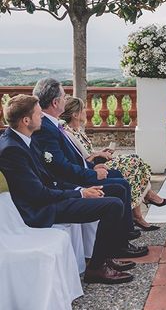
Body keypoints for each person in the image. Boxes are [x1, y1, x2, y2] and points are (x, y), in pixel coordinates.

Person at [0, 95, 141, 284]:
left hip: (50, 198)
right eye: (38, 114)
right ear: (26, 120)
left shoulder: (23, 139)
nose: (42, 116)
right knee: (112, 205)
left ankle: (105, 257)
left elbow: (48, 179)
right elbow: (38, 195)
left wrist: (79, 188)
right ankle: (97, 268)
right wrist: (80, 193)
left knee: (113, 195)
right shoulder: (12, 150)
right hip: (39, 210)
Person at [31, 78, 147, 255]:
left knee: (118, 179)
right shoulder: (45, 128)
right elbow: (60, 167)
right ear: (55, 102)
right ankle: (119, 244)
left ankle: (123, 235)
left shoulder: (52, 124)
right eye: (64, 96)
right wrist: (90, 176)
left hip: (77, 174)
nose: (66, 98)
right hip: (69, 183)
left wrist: (92, 168)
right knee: (119, 187)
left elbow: (69, 158)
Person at [59, 97, 166, 231]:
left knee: (135, 162)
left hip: (97, 161)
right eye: (83, 109)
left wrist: (100, 152)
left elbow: (87, 152)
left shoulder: (78, 130)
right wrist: (97, 156)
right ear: (75, 114)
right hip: (94, 166)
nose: (86, 111)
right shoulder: (68, 132)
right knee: (133, 163)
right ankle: (144, 204)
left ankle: (142, 206)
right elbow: (81, 159)